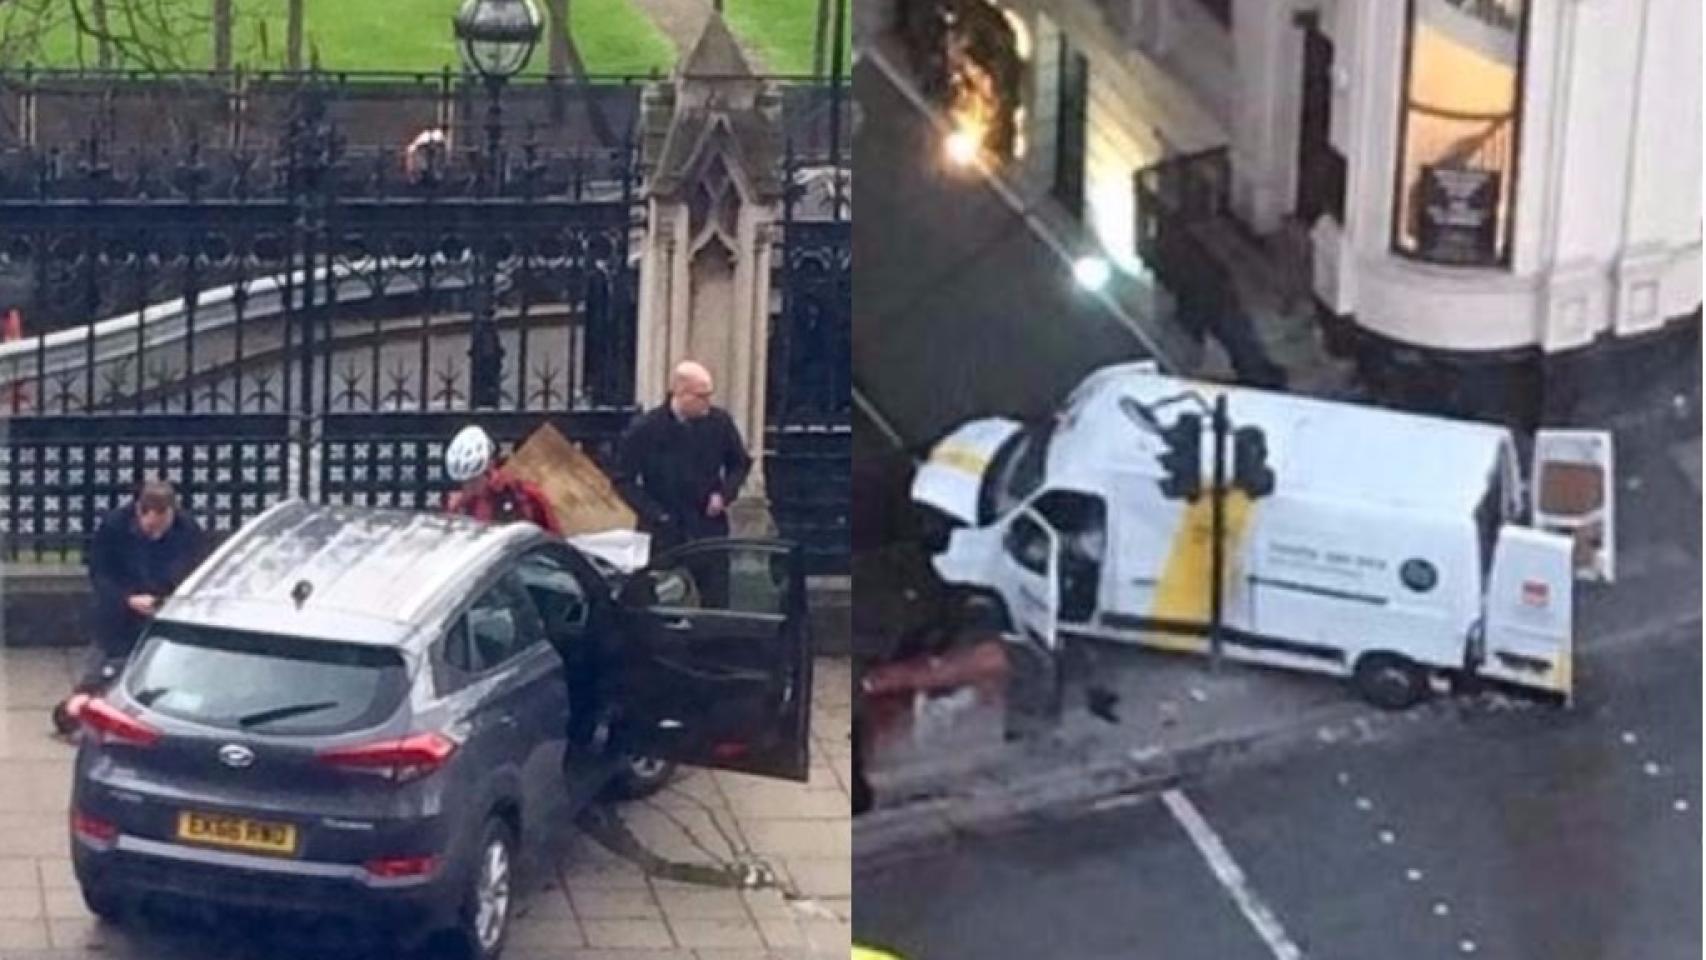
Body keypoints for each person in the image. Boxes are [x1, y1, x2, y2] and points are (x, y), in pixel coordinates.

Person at [55, 481, 206, 733]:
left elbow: (194, 568)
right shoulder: (115, 526)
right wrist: (127, 598)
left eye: (162, 527)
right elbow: (101, 572)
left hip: (163, 609)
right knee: (104, 666)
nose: (155, 533)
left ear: (171, 512)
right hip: (118, 613)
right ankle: (80, 708)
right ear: (141, 512)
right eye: (151, 527)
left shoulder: (187, 529)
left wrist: (165, 598)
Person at [613, 361, 752, 554]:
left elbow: (739, 463)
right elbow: (623, 479)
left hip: (707, 526)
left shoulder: (719, 422)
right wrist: (656, 514)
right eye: (701, 396)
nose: (707, 402)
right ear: (680, 393)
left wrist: (724, 494)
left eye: (709, 395)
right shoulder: (646, 428)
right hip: (663, 530)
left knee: (711, 571)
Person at [443, 424, 564, 535]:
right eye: (464, 482)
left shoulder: (523, 496)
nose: (468, 488)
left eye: (473, 480)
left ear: (489, 468)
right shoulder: (461, 506)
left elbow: (553, 537)